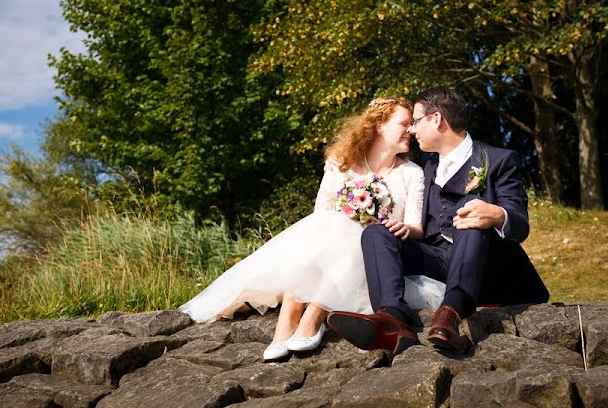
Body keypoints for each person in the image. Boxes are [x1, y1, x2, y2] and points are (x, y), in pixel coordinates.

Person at [178, 97, 439, 361]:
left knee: (360, 236)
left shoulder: (412, 173)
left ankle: (314, 315)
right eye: (404, 123)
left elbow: (417, 227)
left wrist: (404, 229)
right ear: (379, 126)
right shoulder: (342, 162)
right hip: (331, 245)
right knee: (335, 224)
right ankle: (290, 313)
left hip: (375, 251)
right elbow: (321, 214)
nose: (411, 130)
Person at [328, 86, 549, 354]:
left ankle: (451, 312)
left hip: (486, 267)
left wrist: (497, 214)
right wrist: (404, 229)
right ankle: (392, 320)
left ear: (436, 119)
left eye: (416, 121)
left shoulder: (499, 160)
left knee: (470, 207)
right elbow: (427, 226)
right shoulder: (428, 165)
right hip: (439, 258)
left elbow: (520, 224)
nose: (411, 130)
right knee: (376, 233)